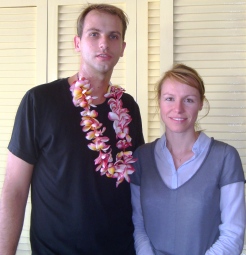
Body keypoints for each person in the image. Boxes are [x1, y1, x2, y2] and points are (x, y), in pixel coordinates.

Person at [0, 3, 144, 255]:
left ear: (122, 48)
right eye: (94, 34)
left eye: (113, 36)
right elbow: (14, 188)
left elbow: (138, 183)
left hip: (120, 249)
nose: (104, 43)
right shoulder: (39, 101)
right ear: (77, 43)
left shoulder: (128, 107)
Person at [130, 63, 246, 255]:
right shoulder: (141, 157)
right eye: (169, 99)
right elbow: (137, 224)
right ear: (159, 101)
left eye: (189, 100)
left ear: (201, 103)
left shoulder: (225, 157)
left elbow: (233, 233)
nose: (178, 108)